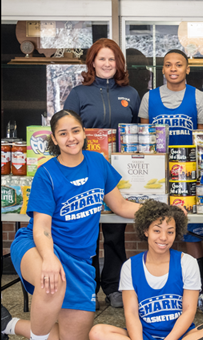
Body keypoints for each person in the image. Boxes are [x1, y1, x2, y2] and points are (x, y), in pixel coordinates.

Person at [2, 110, 141, 340]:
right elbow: (41, 228)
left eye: (75, 130)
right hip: (38, 245)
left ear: (83, 133)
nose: (71, 138)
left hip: (79, 260)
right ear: (54, 138)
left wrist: (162, 209)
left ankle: (8, 324)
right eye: (63, 133)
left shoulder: (98, 163)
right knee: (51, 280)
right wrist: (50, 259)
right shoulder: (47, 173)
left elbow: (121, 206)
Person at [88, 200, 203, 340]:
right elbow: (131, 313)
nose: (164, 238)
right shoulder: (130, 267)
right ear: (146, 231)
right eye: (157, 230)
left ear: (177, 232)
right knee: (97, 332)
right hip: (145, 337)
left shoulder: (187, 262)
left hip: (178, 339)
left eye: (170, 231)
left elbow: (189, 311)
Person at [63, 38, 141, 310]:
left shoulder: (131, 93)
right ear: (92, 63)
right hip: (85, 170)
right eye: (101, 59)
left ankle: (113, 287)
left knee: (114, 232)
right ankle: (87, 288)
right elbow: (67, 133)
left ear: (118, 63)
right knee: (86, 231)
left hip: (119, 174)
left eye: (112, 59)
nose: (107, 64)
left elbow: (136, 134)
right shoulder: (78, 94)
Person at [139, 49, 203, 291]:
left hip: (188, 174)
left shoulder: (198, 97)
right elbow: (144, 139)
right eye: (168, 65)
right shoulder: (149, 98)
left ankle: (198, 283)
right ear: (162, 70)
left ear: (187, 69)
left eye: (178, 65)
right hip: (158, 175)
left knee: (192, 229)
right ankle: (156, 281)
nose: (173, 69)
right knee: (157, 227)